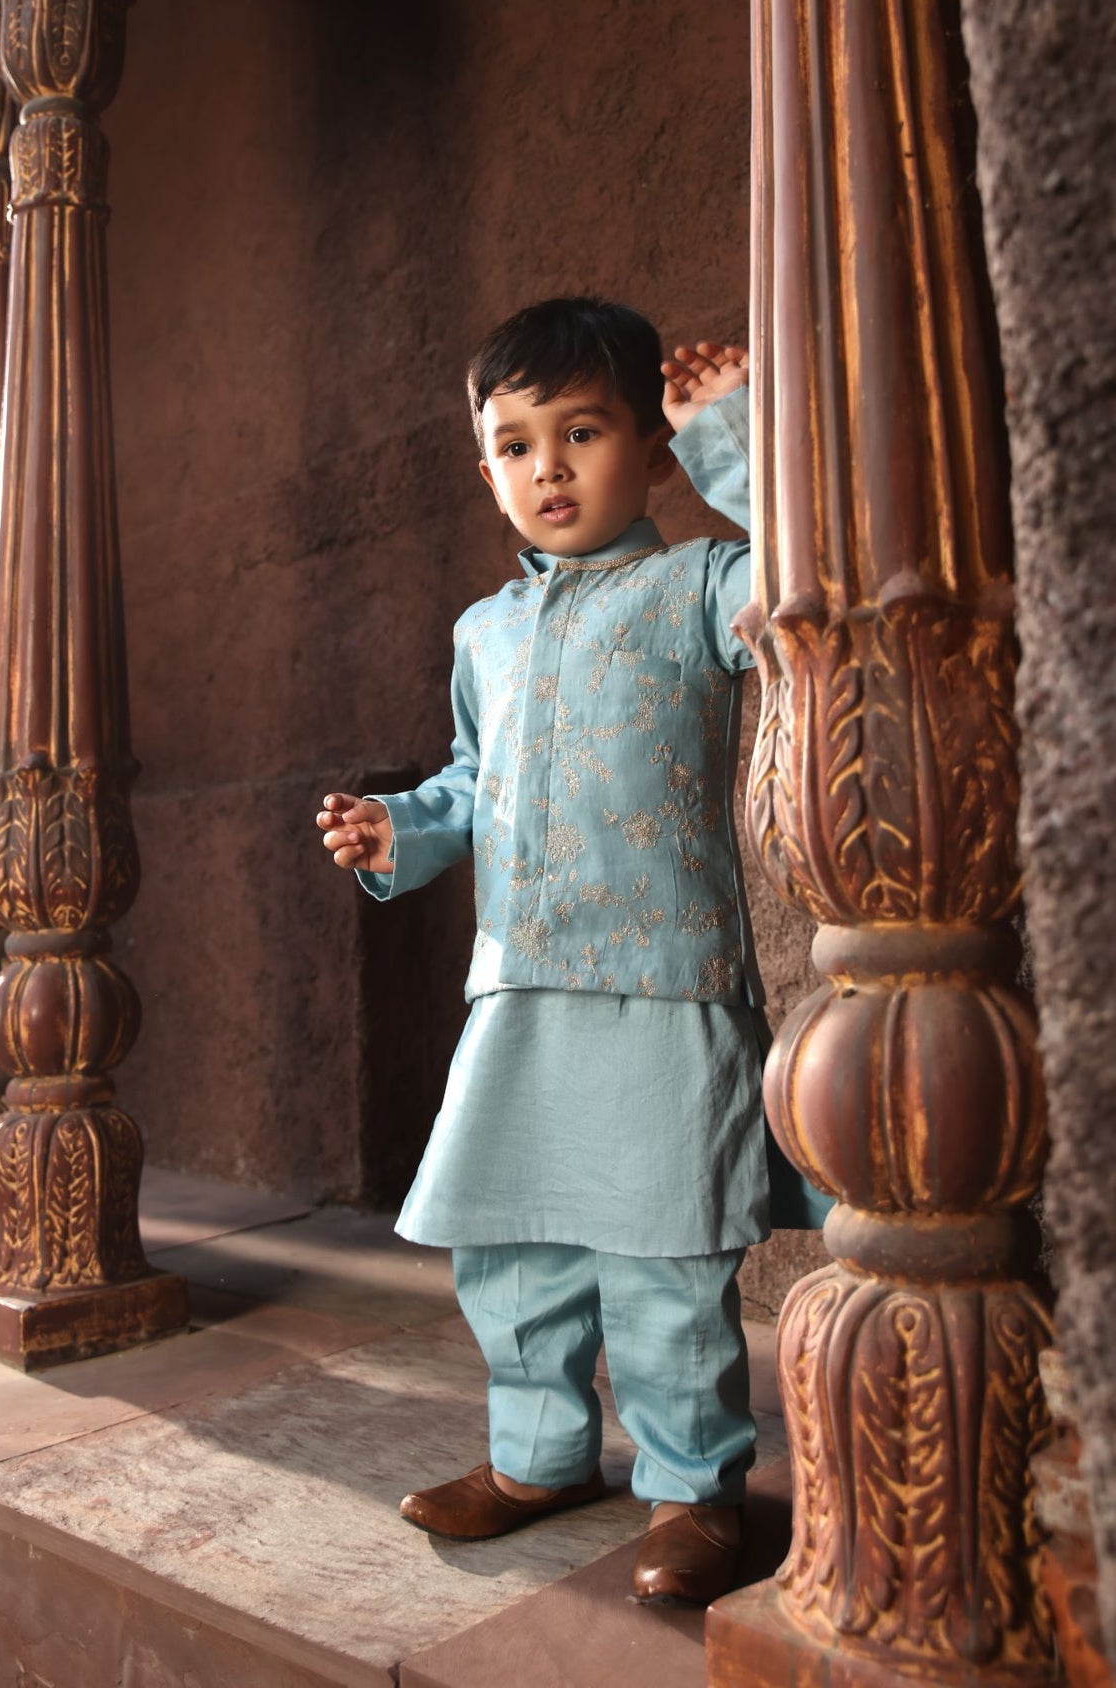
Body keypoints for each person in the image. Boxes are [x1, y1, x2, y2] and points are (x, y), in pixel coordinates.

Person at [316, 296, 827, 1606]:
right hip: (520, 991)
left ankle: (691, 1490)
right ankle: (539, 1459)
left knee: (664, 1265)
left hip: (664, 991)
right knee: (513, 1252)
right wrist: (397, 833)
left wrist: (737, 435)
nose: (547, 467)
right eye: (516, 443)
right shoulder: (485, 634)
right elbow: (474, 780)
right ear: (485, 465)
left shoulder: (700, 585)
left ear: (648, 448)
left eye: (583, 431)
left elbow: (811, 565)